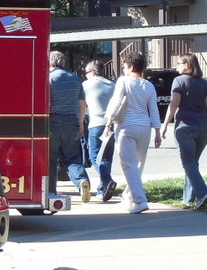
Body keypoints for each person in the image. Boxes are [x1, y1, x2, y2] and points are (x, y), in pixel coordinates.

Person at [161, 53, 207, 210]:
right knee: (193, 163)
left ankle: (202, 193)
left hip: (185, 128)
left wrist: (165, 125)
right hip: (203, 129)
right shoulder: (204, 83)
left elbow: (173, 104)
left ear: (187, 65)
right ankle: (188, 199)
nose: (177, 66)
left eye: (179, 63)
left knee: (188, 163)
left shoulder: (179, 81)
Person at [104, 52, 161, 214]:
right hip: (145, 127)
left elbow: (115, 102)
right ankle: (128, 198)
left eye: (124, 66)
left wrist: (108, 121)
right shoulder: (149, 85)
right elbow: (154, 110)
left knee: (128, 165)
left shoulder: (123, 81)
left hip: (126, 127)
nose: (123, 69)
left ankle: (140, 200)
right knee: (137, 165)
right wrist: (157, 132)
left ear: (131, 67)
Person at [48, 51, 91, 203]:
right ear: (63, 62)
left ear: (50, 62)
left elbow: (45, 102)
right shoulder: (75, 78)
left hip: (53, 121)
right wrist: (80, 124)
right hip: (72, 120)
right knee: (72, 157)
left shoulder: (49, 78)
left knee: (50, 158)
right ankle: (81, 182)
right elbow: (81, 104)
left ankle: (50, 191)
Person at [83, 60, 117, 202]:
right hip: (110, 125)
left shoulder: (87, 85)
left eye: (86, 73)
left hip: (95, 124)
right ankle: (102, 188)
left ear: (93, 72)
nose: (85, 76)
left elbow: (81, 104)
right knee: (107, 158)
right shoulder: (112, 85)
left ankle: (107, 180)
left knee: (94, 157)